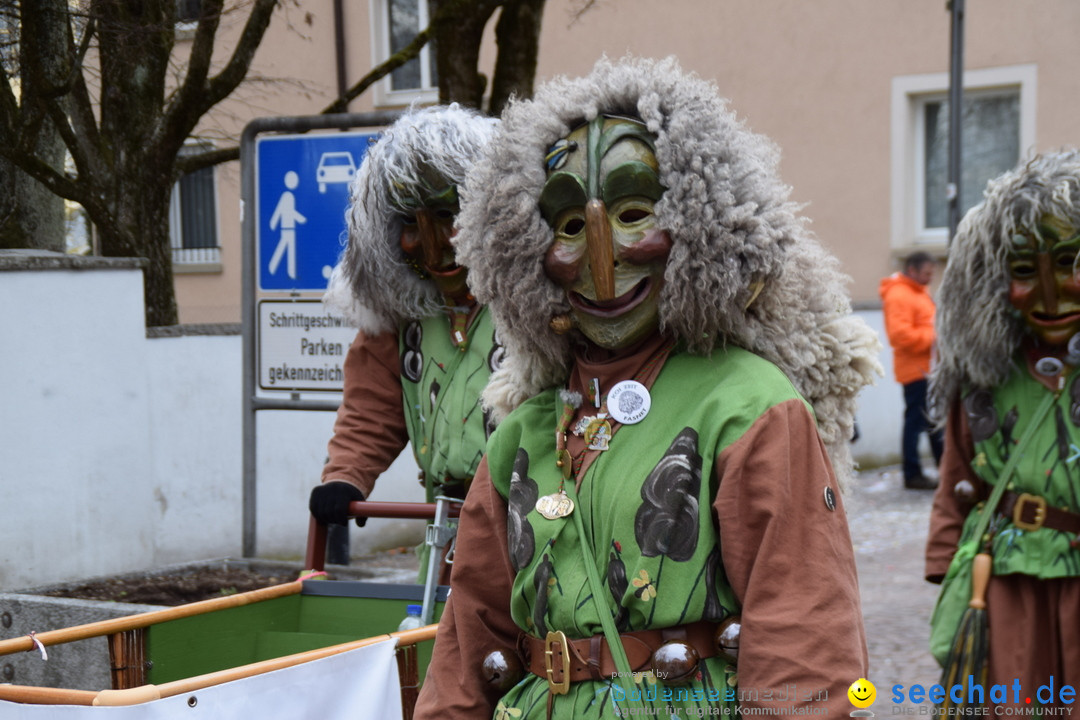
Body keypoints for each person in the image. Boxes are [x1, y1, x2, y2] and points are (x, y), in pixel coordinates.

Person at [413, 57, 879, 719]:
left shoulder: (749, 406)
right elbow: (468, 640)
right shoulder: (521, 429)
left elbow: (804, 633)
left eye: (635, 213)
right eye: (570, 226)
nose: (604, 260)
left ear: (699, 224)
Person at [309, 105, 501, 578]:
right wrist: (346, 476)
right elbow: (374, 402)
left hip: (534, 532)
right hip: (444, 538)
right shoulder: (402, 315)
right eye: (411, 225)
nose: (432, 245)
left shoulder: (538, 305)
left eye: (447, 214)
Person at [925, 150, 1080, 710]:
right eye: (1023, 271)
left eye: (1068, 262)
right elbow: (957, 477)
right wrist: (946, 564)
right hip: (1005, 582)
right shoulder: (982, 376)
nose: (1050, 292)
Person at [880, 251, 944, 489]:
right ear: (913, 270)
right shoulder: (900, 294)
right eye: (927, 273)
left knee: (932, 421)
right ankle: (912, 473)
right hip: (916, 370)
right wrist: (936, 336)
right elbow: (899, 336)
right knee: (916, 422)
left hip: (928, 368)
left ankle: (944, 469)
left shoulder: (916, 291)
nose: (930, 278)